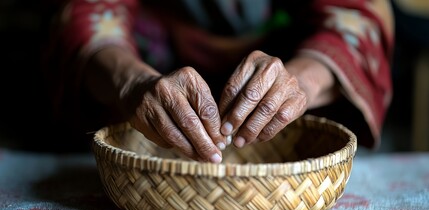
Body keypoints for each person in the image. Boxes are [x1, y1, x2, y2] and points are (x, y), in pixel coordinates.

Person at [44, 0, 394, 162]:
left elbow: (357, 13)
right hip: (145, 68)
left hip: (288, 60)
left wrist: (300, 81)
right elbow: (85, 10)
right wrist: (131, 82)